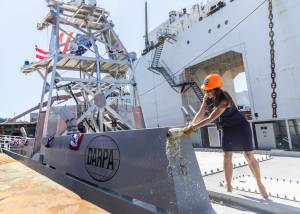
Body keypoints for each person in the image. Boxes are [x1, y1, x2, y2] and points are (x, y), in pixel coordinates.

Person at [184, 74, 268, 199]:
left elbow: (210, 118)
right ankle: (229, 186)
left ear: (215, 89)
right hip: (227, 128)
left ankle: (259, 183)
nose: (205, 92)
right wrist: (192, 124)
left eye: (207, 90)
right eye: (205, 90)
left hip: (240, 126)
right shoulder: (208, 98)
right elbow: (201, 113)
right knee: (227, 155)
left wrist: (193, 128)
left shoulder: (224, 100)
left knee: (248, 155)